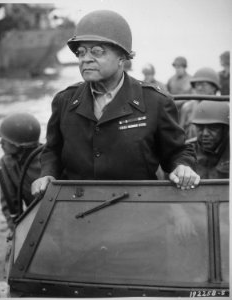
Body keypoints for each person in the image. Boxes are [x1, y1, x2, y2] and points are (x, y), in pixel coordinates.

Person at [31, 10, 200, 197]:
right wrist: (47, 174)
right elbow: (53, 151)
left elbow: (177, 152)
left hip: (138, 208)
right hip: (77, 208)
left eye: (97, 51)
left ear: (122, 57)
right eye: (81, 52)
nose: (85, 59)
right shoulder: (65, 101)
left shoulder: (155, 102)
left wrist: (182, 167)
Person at [0, 113, 42, 231]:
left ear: (19, 145)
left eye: (5, 140)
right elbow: (9, 204)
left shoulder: (49, 160)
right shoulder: (7, 162)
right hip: (34, 221)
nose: (0, 143)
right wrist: (16, 229)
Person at [188, 101, 229, 179]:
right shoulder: (186, 151)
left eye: (213, 128)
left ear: (225, 129)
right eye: (200, 127)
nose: (205, 133)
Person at [179, 67, 221, 139]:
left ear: (214, 87)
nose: (199, 88)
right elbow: (179, 133)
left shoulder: (222, 107)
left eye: (203, 84)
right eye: (197, 84)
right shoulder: (187, 107)